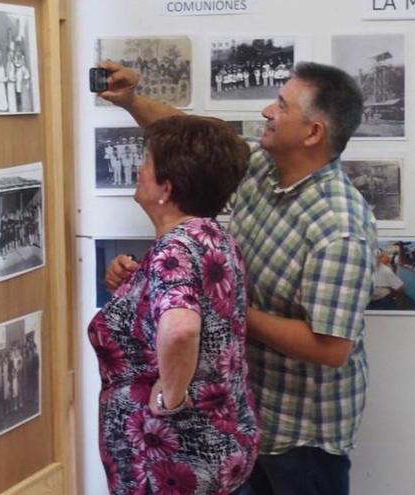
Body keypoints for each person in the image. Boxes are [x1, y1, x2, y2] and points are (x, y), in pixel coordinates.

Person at [99, 59, 377, 495]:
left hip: (299, 437)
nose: (268, 111)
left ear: (313, 133)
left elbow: (331, 347)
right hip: (237, 415)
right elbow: (192, 136)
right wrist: (131, 101)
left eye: (281, 106)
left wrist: (229, 312)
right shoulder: (264, 169)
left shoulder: (338, 225)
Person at [88, 115, 258, 494]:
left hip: (170, 458)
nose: (138, 168)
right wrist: (133, 283)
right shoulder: (213, 236)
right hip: (218, 443)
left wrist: (169, 397)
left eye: (146, 162)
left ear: (166, 187)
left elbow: (181, 329)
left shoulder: (175, 250)